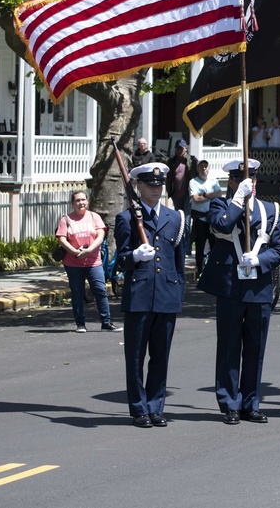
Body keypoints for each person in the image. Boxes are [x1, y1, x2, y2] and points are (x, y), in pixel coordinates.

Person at [197, 159, 280, 425]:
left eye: (252, 179)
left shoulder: (270, 209)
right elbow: (222, 225)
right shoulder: (221, 205)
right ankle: (229, 403)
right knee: (229, 347)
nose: (249, 184)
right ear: (232, 182)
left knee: (255, 348)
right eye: (241, 179)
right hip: (229, 286)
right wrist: (237, 199)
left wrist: (260, 261)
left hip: (258, 286)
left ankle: (251, 402)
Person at [115, 162, 187, 428]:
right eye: (150, 185)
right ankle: (139, 408)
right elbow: (120, 261)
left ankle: (156, 407)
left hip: (166, 295)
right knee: (135, 357)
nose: (156, 190)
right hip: (140, 295)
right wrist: (133, 256)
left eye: (159, 185)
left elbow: (179, 262)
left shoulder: (175, 218)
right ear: (139, 186)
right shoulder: (126, 219)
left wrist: (178, 294)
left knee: (160, 356)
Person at [55, 190, 120, 333]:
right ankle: (80, 324)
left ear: (87, 201)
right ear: (72, 203)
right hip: (73, 262)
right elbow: (62, 238)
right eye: (77, 200)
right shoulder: (66, 219)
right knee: (77, 293)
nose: (81, 203)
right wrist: (75, 252)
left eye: (83, 200)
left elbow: (100, 235)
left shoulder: (94, 216)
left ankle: (106, 322)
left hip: (93, 261)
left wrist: (89, 250)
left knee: (100, 291)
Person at [189, 160, 222, 276]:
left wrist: (204, 195)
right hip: (200, 218)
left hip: (213, 219)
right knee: (200, 246)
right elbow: (196, 200)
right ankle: (200, 270)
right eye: (201, 167)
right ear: (197, 168)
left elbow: (219, 194)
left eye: (205, 166)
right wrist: (211, 196)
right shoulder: (193, 182)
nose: (204, 169)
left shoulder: (214, 181)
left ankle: (214, 270)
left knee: (215, 245)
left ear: (208, 168)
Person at [166, 139, 195, 243]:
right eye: (177, 148)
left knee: (187, 221)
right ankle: (179, 243)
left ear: (186, 149)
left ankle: (187, 245)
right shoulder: (171, 161)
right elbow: (169, 177)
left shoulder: (191, 160)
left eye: (181, 149)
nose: (179, 151)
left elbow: (196, 174)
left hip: (188, 194)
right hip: (176, 193)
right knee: (179, 219)